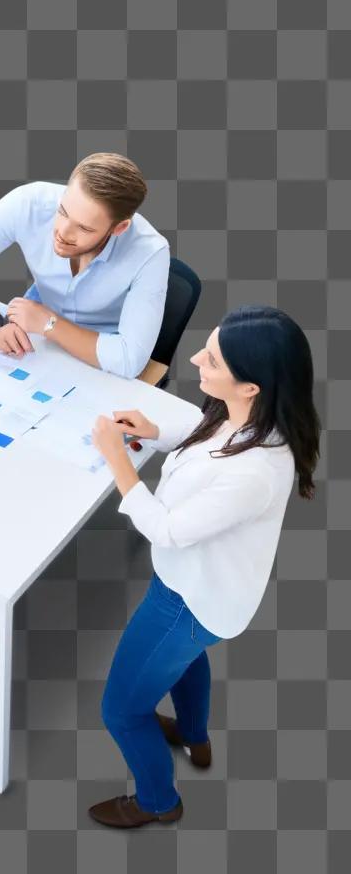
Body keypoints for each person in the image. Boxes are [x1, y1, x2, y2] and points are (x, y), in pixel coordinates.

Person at [87, 305, 320, 828]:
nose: (195, 359)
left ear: (251, 386)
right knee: (189, 658)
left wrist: (118, 461)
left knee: (121, 712)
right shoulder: (253, 421)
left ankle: (157, 802)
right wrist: (155, 429)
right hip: (206, 598)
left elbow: (168, 528)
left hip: (185, 601)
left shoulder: (255, 472)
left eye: (211, 359)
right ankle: (194, 735)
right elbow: (208, 439)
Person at [0, 152, 169, 379]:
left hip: (100, 358)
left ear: (119, 228)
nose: (62, 233)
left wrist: (48, 323)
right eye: (62, 211)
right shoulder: (29, 203)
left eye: (84, 228)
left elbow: (128, 360)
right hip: (35, 343)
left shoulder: (151, 252)